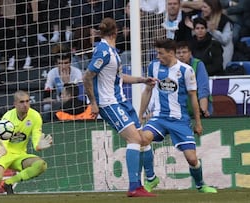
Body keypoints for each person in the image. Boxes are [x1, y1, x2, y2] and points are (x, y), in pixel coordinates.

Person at [83, 17, 157, 197]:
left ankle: (149, 179)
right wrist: (93, 103)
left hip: (121, 101)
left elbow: (117, 77)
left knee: (143, 138)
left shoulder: (111, 51)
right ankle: (134, 187)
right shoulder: (103, 51)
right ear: (116, 32)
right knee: (135, 140)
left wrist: (141, 80)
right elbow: (87, 76)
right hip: (109, 103)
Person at [138, 38, 217, 194]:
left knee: (192, 159)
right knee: (142, 139)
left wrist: (198, 123)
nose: (158, 57)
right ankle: (151, 178)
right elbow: (147, 90)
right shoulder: (153, 66)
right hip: (159, 118)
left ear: (171, 53)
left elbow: (193, 97)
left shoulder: (186, 70)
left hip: (180, 120)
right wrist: (140, 114)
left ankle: (201, 185)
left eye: (161, 53)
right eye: (157, 53)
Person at [42, 46, 83, 117]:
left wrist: (66, 83)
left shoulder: (77, 72)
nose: (63, 66)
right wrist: (53, 101)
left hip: (75, 103)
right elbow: (46, 97)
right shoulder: (52, 73)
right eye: (60, 63)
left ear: (70, 63)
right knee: (46, 107)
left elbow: (77, 95)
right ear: (56, 64)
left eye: (66, 63)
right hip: (59, 102)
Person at [176, 41, 213, 117]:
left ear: (190, 53)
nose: (181, 55)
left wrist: (203, 111)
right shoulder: (172, 67)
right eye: (178, 53)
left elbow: (203, 89)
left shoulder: (198, 64)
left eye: (184, 52)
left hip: (198, 106)